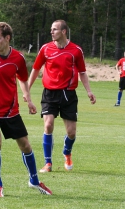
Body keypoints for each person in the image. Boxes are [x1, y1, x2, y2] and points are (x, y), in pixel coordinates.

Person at [0, 22, 52, 197]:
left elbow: (23, 79)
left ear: (7, 38)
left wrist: (28, 98)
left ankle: (34, 180)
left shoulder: (18, 58)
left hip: (10, 109)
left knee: (25, 145)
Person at [28, 20, 96, 173]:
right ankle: (48, 163)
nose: (51, 32)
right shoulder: (45, 49)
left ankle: (67, 152)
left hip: (68, 94)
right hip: (50, 93)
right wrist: (28, 90)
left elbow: (83, 72)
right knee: (48, 125)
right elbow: (36, 68)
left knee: (71, 132)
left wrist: (89, 91)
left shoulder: (76, 50)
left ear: (64, 31)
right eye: (51, 29)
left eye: (55, 29)